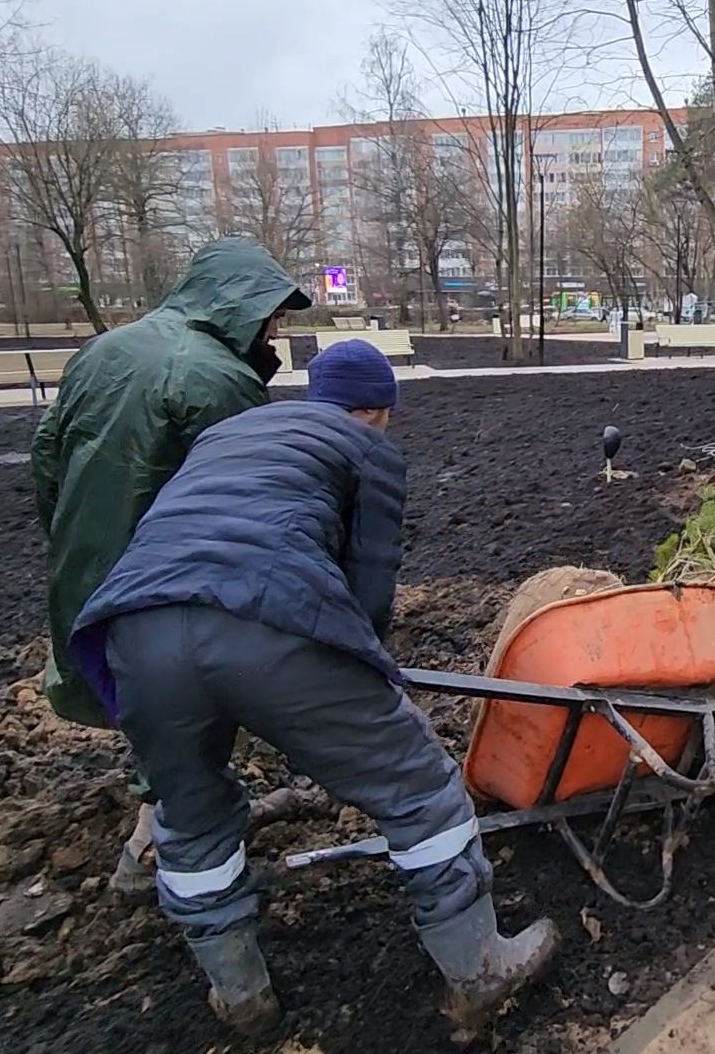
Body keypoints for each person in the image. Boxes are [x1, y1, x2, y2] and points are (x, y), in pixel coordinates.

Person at [66, 340, 558, 1038]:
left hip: (134, 630)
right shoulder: (367, 447)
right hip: (267, 621)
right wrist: (362, 683)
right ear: (377, 411)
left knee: (191, 806)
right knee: (418, 785)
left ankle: (240, 995)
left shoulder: (228, 432)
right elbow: (369, 585)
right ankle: (479, 969)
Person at [31, 239, 307, 890]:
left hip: (88, 577)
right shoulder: (218, 379)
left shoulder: (102, 351)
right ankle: (173, 869)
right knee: (193, 722)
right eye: (271, 318)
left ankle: (170, 835)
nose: (274, 332)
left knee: (158, 718)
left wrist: (79, 545)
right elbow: (250, 504)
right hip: (167, 593)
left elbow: (46, 460)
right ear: (237, 305)